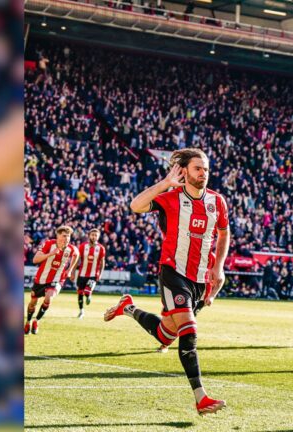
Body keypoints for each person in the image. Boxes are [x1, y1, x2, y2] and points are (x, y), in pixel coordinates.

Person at [104, 148, 230, 415]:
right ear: (184, 171)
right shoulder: (170, 198)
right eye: (198, 168)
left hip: (199, 280)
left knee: (166, 334)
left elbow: (223, 233)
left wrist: (218, 268)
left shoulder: (217, 201)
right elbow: (135, 206)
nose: (203, 174)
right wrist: (164, 184)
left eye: (206, 169)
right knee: (189, 332)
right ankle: (201, 397)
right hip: (173, 273)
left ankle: (127, 308)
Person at [25, 226, 79, 335]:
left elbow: (77, 254)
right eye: (64, 236)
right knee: (32, 303)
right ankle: (28, 322)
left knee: (49, 298)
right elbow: (35, 260)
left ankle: (37, 321)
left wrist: (70, 270)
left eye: (68, 236)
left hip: (57, 279)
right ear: (58, 236)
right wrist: (51, 253)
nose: (67, 238)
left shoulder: (72, 249)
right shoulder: (49, 244)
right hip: (41, 279)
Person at [74, 229, 106, 319]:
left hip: (93, 274)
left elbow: (102, 262)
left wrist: (100, 273)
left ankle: (88, 295)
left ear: (98, 237)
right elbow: (77, 259)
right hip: (82, 274)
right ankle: (81, 311)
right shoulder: (83, 246)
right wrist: (72, 271)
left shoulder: (101, 248)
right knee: (80, 293)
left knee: (87, 291)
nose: (94, 237)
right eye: (92, 235)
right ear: (89, 235)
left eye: (96, 235)